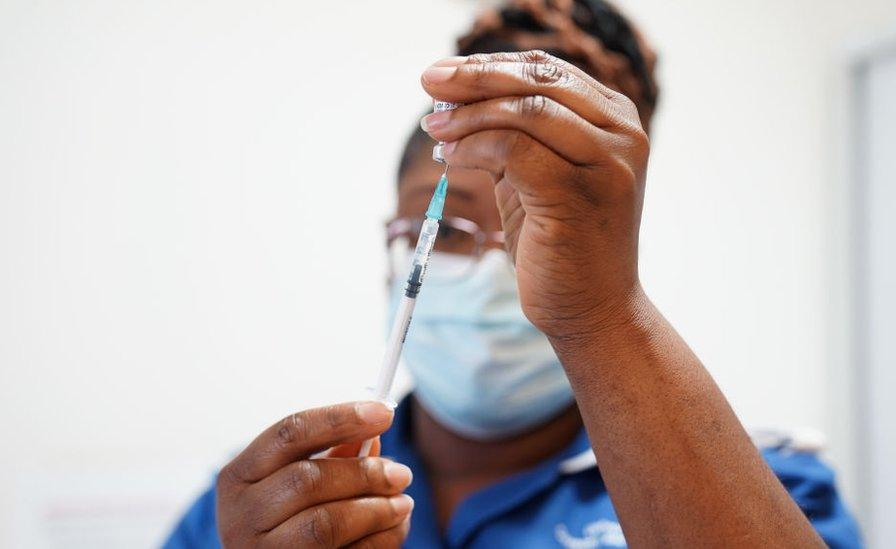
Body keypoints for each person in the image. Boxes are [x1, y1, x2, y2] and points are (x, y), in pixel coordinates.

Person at [164, 1, 861, 547]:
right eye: (454, 231)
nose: (505, 271)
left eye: (547, 228)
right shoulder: (275, 505)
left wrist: (600, 315)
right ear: (397, 242)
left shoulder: (764, 488)